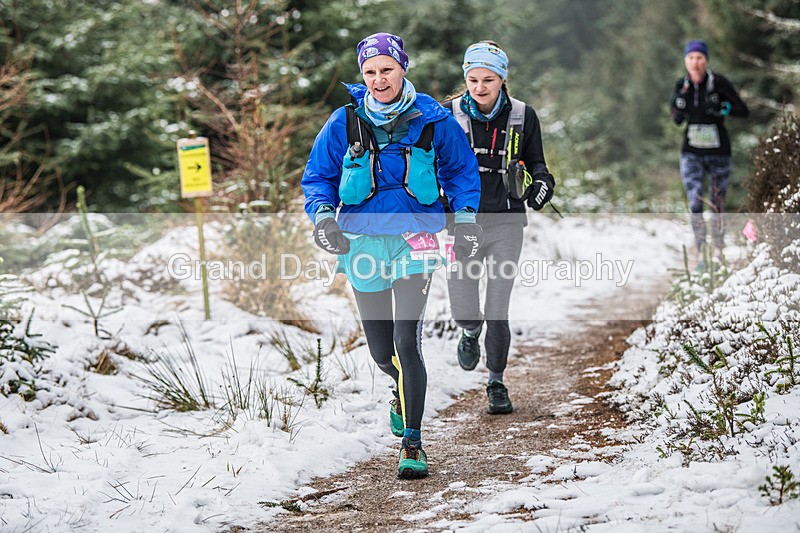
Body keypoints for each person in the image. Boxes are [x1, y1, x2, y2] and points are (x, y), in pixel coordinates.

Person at [301, 32, 482, 479]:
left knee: (406, 342)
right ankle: (398, 391)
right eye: (370, 72)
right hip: (361, 241)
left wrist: (466, 218)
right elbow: (318, 177)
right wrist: (323, 218)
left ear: (403, 68)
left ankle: (413, 443)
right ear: (363, 75)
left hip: (415, 238)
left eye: (387, 69)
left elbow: (462, 173)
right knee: (383, 352)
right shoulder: (344, 121)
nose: (379, 79)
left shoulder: (434, 120)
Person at [442, 41, 555, 415]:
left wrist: (542, 184)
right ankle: (470, 331)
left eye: (488, 79)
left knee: (497, 308)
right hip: (464, 221)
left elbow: (538, 164)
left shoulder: (523, 116)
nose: (479, 87)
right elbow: (432, 165)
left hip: (507, 219)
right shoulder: (450, 115)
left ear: (503, 78)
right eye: (472, 79)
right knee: (464, 306)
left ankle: (496, 383)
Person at [670, 40, 748, 265]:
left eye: (699, 58)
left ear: (706, 60)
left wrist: (723, 108)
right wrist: (680, 107)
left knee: (717, 203)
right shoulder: (681, 86)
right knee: (695, 202)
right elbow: (675, 117)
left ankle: (719, 251)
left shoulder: (719, 83)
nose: (695, 62)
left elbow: (743, 110)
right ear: (686, 61)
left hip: (719, 153)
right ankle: (701, 251)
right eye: (691, 58)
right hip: (691, 153)